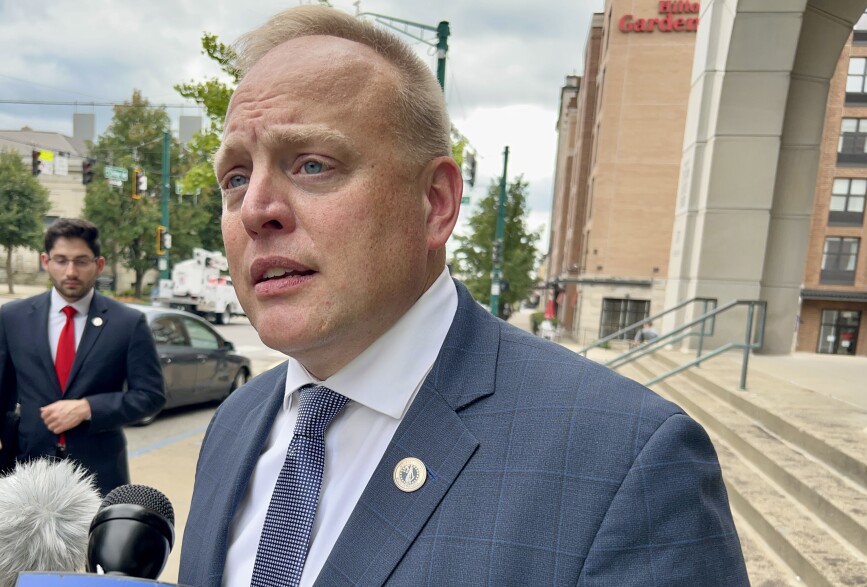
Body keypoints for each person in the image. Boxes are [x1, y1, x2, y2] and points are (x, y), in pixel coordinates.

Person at [179, 6, 748, 586]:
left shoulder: (625, 460)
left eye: (313, 165)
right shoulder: (236, 423)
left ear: (436, 204)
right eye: (236, 177)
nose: (255, 210)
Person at [0, 218, 165, 495]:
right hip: (27, 471)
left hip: (99, 474)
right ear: (45, 261)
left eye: (81, 261)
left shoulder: (128, 323)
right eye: (61, 260)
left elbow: (151, 396)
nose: (70, 271)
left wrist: (88, 408)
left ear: (98, 265)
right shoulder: (12, 318)